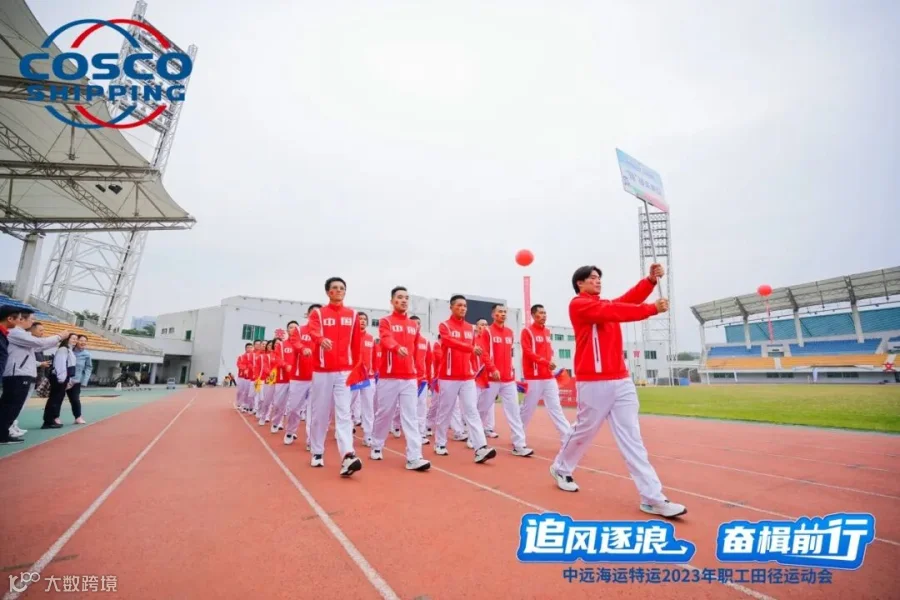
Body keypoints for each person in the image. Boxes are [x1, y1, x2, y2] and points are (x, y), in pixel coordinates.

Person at [549, 264, 687, 519]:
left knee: (633, 439)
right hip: (593, 381)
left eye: (599, 277)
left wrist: (649, 280)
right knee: (584, 430)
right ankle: (561, 467)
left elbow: (627, 300)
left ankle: (652, 498)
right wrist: (651, 309)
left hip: (622, 380)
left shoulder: (605, 305)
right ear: (580, 283)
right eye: (592, 278)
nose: (598, 281)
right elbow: (616, 310)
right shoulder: (579, 305)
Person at [368, 287, 431, 471]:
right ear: (392, 301)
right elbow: (385, 339)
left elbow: (417, 351)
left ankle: (414, 456)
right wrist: (396, 348)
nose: (404, 300)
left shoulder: (413, 325)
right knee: (384, 413)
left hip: (409, 377)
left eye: (406, 298)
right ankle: (377, 445)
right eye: (400, 297)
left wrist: (418, 372)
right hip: (389, 377)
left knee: (410, 416)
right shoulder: (385, 322)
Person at [306, 277, 363, 477]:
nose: (338, 291)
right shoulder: (319, 314)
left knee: (344, 413)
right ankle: (317, 451)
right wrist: (321, 339)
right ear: (328, 292)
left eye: (342, 288)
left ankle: (347, 455)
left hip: (344, 371)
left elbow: (356, 344)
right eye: (335, 288)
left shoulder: (352, 315)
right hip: (322, 370)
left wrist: (356, 367)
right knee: (320, 413)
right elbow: (313, 330)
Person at [431, 295, 496, 463]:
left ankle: (480, 447)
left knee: (471, 411)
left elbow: (475, 351)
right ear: (451, 307)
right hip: (449, 376)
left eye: (465, 306)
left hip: (467, 377)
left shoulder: (469, 328)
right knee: (445, 411)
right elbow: (449, 342)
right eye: (459, 305)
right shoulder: (444, 326)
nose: (462, 308)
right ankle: (440, 443)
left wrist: (477, 369)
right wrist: (469, 348)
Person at [1, 307, 66, 444]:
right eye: (31, 319)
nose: (32, 322)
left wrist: (55, 340)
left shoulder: (20, 334)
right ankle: (2, 434)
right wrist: (59, 336)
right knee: (11, 405)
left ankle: (4, 432)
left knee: (13, 405)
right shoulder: (15, 332)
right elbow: (38, 343)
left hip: (20, 373)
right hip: (17, 374)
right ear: (21, 320)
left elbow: (38, 346)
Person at [477, 305, 534, 457]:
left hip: (508, 379)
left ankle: (519, 445)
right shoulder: (487, 332)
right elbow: (484, 353)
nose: (502, 314)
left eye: (504, 312)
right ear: (493, 314)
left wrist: (510, 371)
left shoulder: (510, 332)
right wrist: (492, 369)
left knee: (514, 411)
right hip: (492, 378)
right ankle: (474, 437)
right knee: (482, 409)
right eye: (499, 312)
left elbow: (509, 355)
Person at [520, 304, 572, 441]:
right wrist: (545, 362)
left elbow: (548, 351)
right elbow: (528, 352)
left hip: (549, 377)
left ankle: (567, 437)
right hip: (534, 377)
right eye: (540, 313)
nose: (544, 315)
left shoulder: (547, 331)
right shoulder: (527, 332)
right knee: (528, 409)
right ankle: (518, 437)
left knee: (556, 408)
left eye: (545, 313)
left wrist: (551, 363)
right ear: (533, 315)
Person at [283, 305, 317, 446]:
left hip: (317, 377)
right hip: (299, 377)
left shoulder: (324, 333)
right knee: (293, 408)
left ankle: (311, 440)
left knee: (313, 411)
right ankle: (290, 431)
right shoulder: (299, 330)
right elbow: (294, 342)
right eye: (312, 313)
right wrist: (303, 348)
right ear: (307, 315)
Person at [43, 334, 77, 429]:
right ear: (67, 339)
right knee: (54, 399)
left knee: (57, 399)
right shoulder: (63, 349)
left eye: (76, 339)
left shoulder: (69, 350)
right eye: (73, 338)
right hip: (59, 378)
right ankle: (48, 421)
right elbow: (60, 364)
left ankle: (50, 420)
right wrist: (62, 378)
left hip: (63, 378)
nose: (75, 340)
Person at [353, 314, 377, 447]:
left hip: (368, 377)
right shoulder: (350, 337)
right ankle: (345, 431)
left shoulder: (370, 338)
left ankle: (368, 435)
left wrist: (374, 371)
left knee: (368, 407)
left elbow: (375, 357)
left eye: (364, 320)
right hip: (353, 377)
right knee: (347, 405)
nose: (362, 321)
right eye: (360, 319)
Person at [410, 315, 431, 444]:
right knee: (406, 408)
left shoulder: (425, 342)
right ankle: (397, 425)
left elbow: (428, 361)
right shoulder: (406, 341)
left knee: (421, 407)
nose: (416, 325)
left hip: (422, 380)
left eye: (418, 323)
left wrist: (428, 377)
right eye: (413, 323)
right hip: (409, 379)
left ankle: (421, 434)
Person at [68, 334, 91, 425]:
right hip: (64, 379)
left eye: (85, 341)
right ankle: (55, 417)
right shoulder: (69, 351)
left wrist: (85, 381)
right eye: (81, 340)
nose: (83, 342)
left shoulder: (87, 354)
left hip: (76, 381)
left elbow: (88, 368)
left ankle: (78, 417)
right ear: (76, 341)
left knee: (75, 399)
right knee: (58, 399)